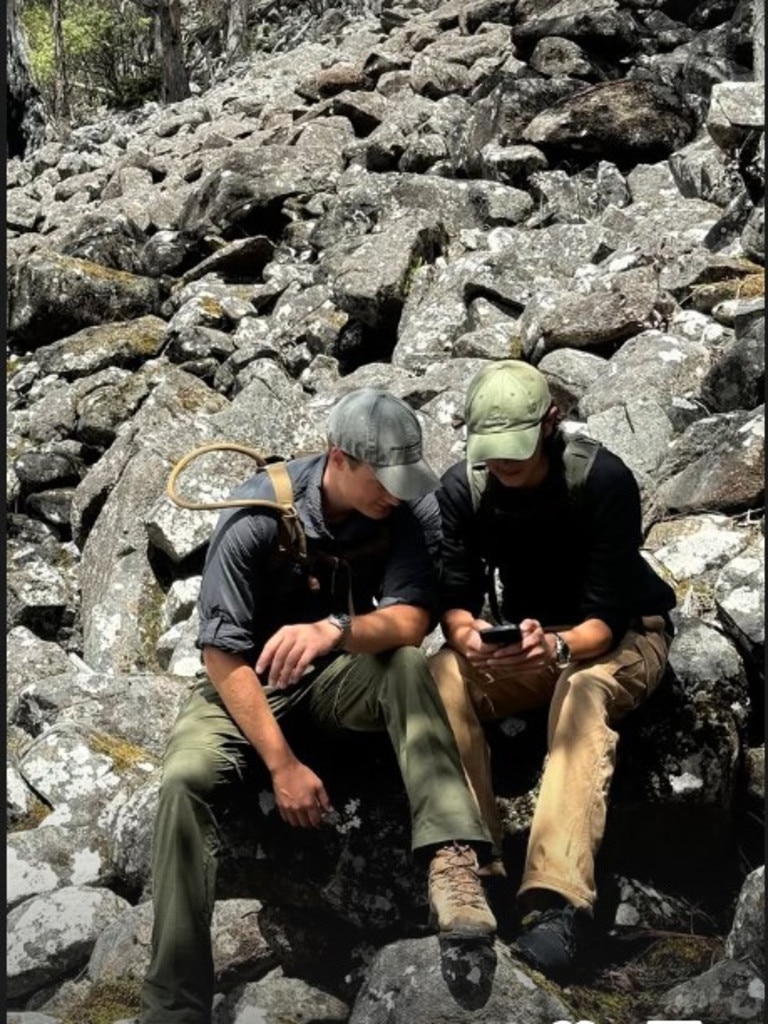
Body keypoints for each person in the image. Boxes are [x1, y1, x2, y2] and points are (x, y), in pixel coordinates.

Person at [140, 388, 496, 1024]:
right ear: (339, 458)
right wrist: (282, 767)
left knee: (409, 666)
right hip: (248, 688)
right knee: (184, 781)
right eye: (381, 479)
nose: (395, 492)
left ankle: (451, 860)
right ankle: (174, 1006)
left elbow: (413, 622)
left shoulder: (408, 512)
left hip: (340, 675)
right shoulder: (256, 516)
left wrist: (336, 629)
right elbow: (221, 656)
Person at [429, 360, 676, 981]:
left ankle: (558, 902)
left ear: (550, 423)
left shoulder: (602, 482)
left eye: (516, 449)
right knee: (440, 676)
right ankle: (473, 867)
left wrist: (558, 651)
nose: (503, 466)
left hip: (621, 635)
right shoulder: (465, 488)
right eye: (491, 452)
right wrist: (472, 638)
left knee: (583, 689)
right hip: (528, 641)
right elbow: (455, 599)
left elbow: (606, 621)